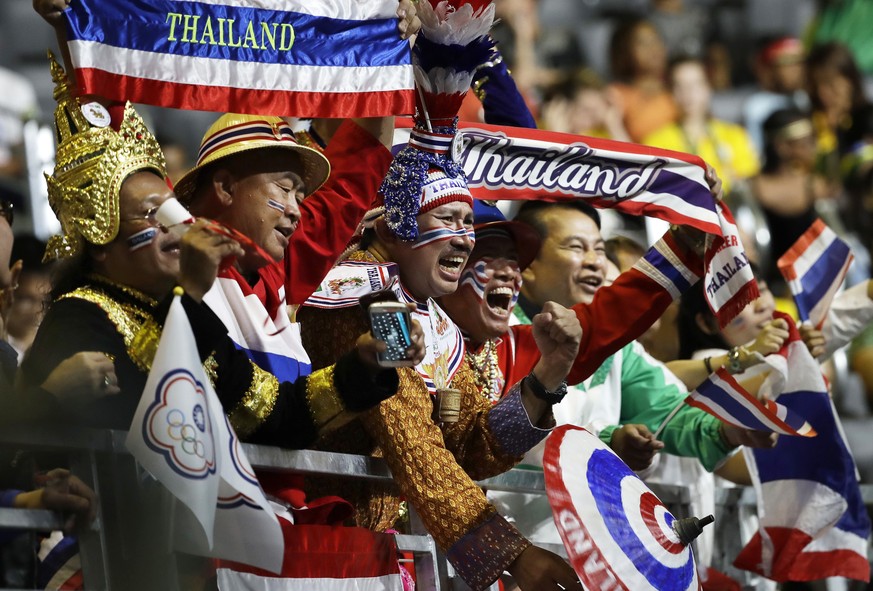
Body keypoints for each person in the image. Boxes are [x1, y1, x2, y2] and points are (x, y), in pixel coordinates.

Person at [18, 58, 420, 447]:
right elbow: (156, 412)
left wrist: (364, 364)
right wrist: (189, 291)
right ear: (100, 238)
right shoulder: (78, 316)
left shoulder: (196, 306)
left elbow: (279, 415)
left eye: (172, 209)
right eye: (150, 213)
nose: (177, 225)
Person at [299, 165, 584, 589]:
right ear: (393, 229)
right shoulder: (362, 294)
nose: (464, 237)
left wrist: (548, 373)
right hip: (319, 550)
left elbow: (472, 446)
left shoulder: (434, 320)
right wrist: (512, 553)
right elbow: (411, 439)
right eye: (447, 219)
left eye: (467, 222)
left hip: (375, 554)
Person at [644, 56, 760, 197]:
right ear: (670, 92)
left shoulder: (735, 135)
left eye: (695, 85)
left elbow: (749, 181)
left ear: (708, 87)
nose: (688, 93)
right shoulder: (656, 142)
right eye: (679, 86)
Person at [607, 17, 678, 143]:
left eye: (656, 40)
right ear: (624, 51)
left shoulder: (678, 87)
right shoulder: (617, 96)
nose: (653, 48)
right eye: (642, 43)